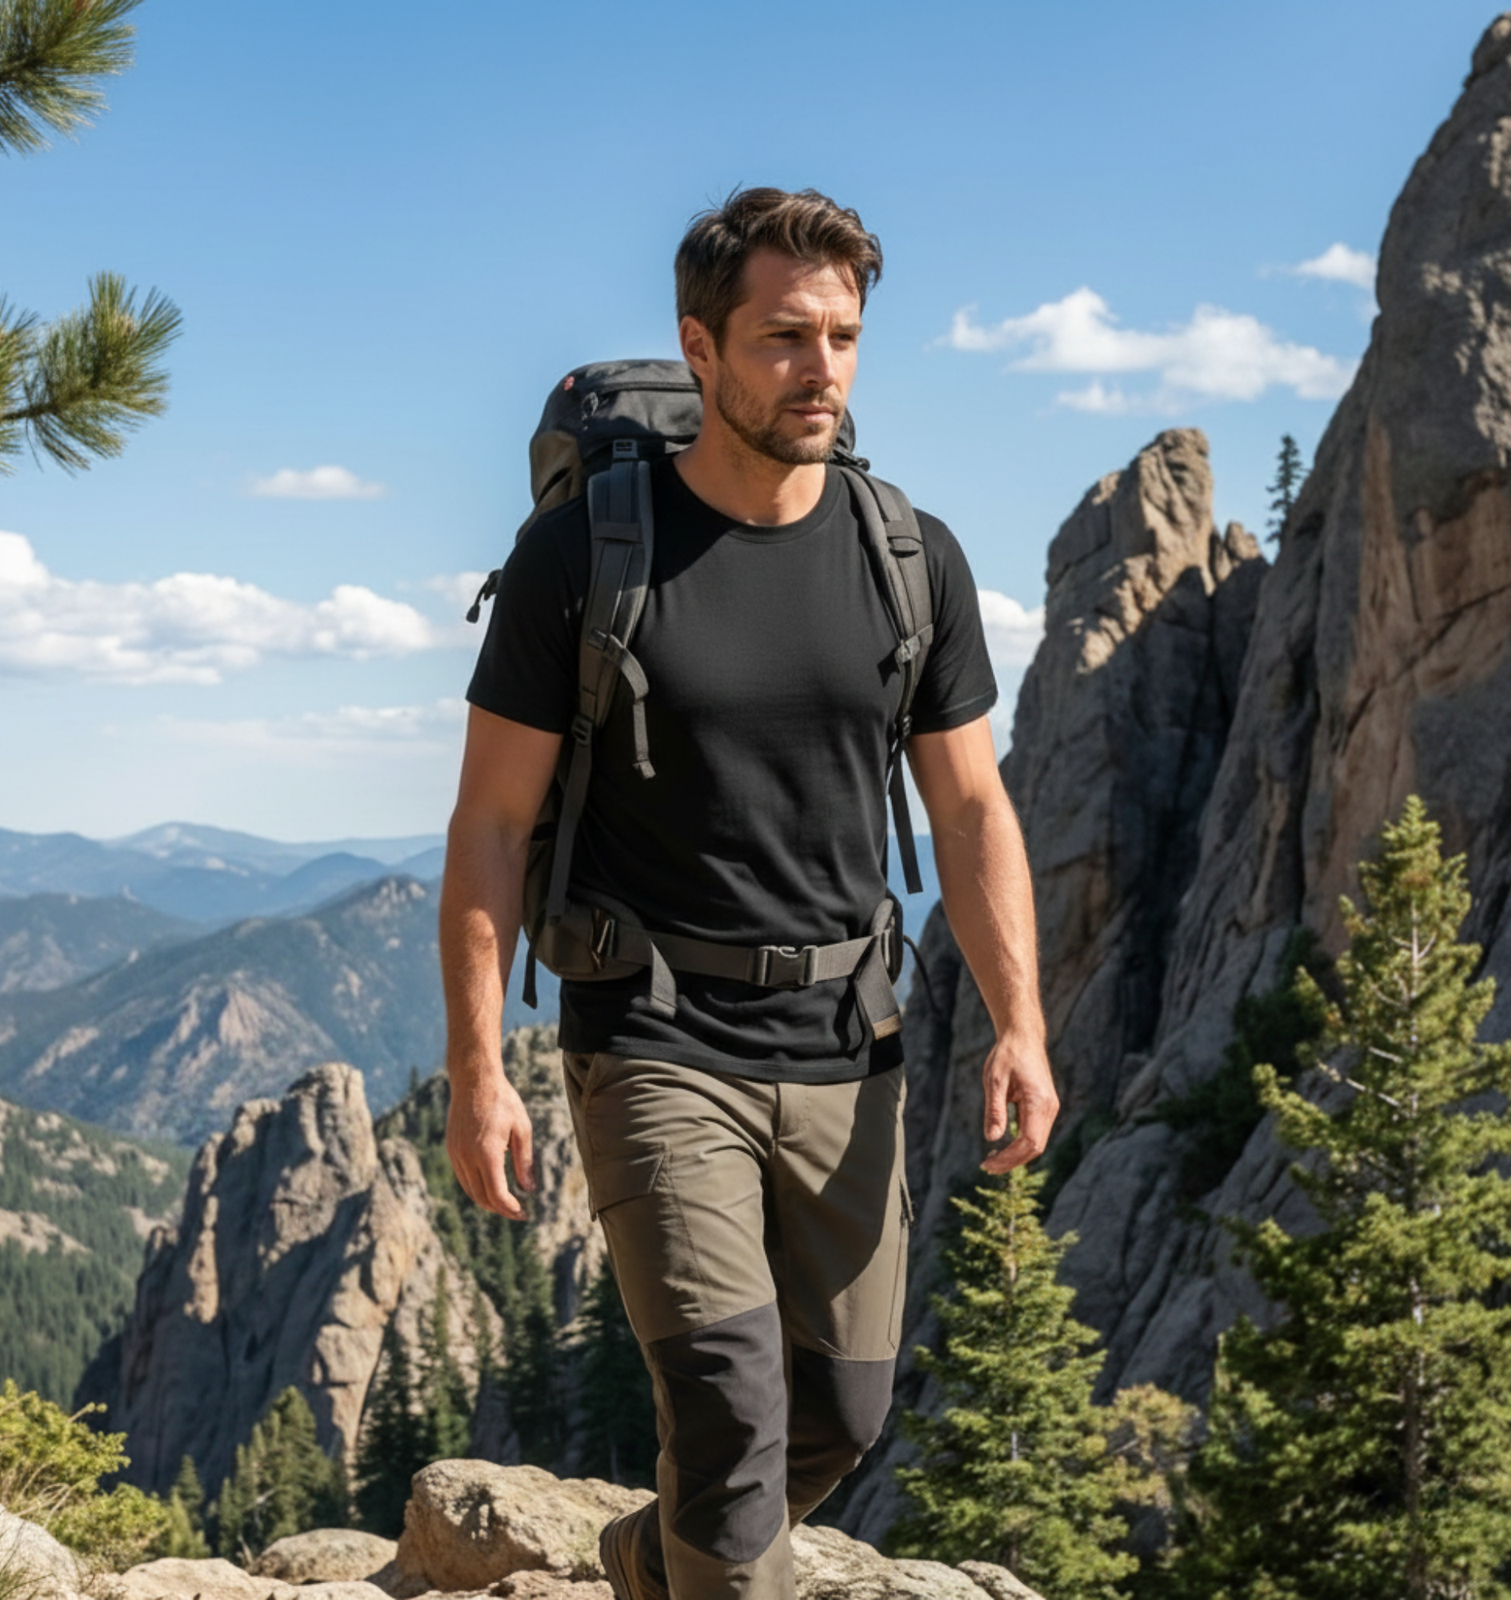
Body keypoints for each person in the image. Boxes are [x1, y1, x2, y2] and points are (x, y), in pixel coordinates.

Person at [439, 187, 1058, 1600]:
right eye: (785, 337)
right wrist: (479, 1066)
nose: (823, 367)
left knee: (837, 1414)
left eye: (843, 336)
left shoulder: (911, 560)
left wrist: (1021, 1022)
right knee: (730, 1422)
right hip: (652, 1034)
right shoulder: (586, 557)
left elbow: (971, 810)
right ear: (701, 348)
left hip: (849, 1042)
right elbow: (488, 826)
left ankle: (651, 1561)